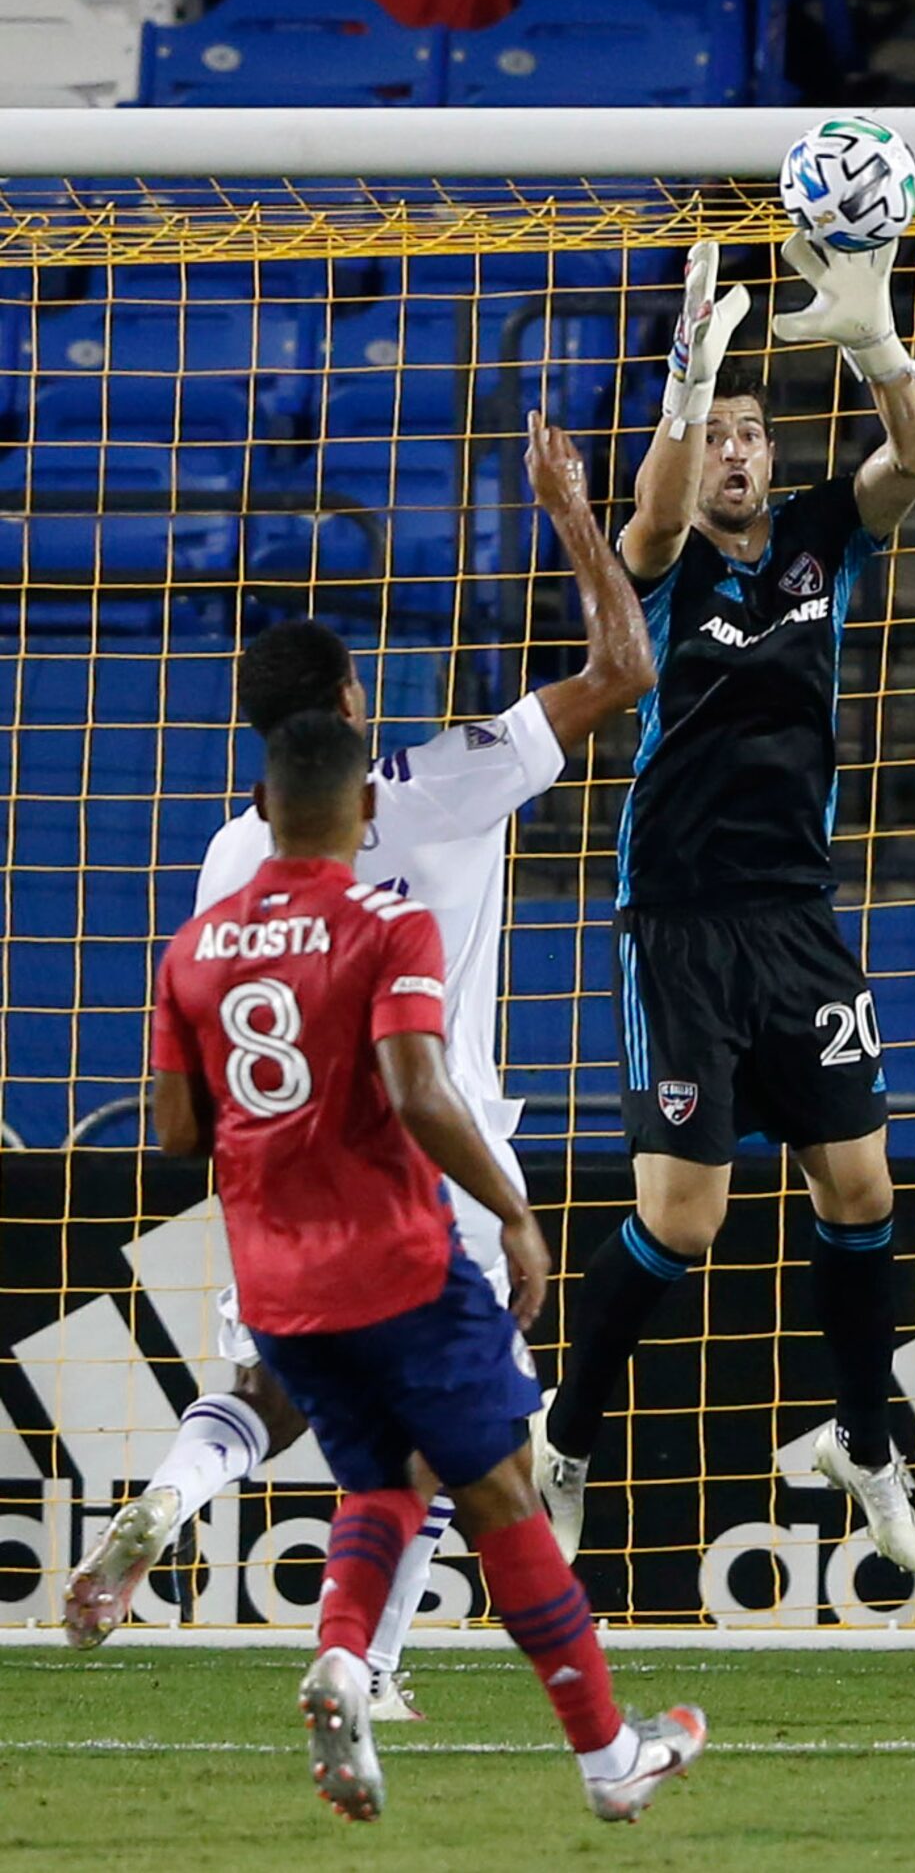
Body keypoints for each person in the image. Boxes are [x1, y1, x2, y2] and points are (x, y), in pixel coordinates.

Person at [63, 415, 654, 1716]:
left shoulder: (228, 854)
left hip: (284, 1174)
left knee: (271, 1393)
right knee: (471, 1433)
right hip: (433, 1148)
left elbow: (191, 1085)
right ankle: (398, 1670)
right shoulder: (441, 782)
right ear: (345, 707)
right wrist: (565, 509)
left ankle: (174, 1490)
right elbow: (623, 667)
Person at [137, 709, 706, 1823]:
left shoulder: (198, 943)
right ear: (361, 805)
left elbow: (175, 1129)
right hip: (405, 1242)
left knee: (386, 1475)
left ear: (262, 799)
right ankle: (603, 1759)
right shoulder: (388, 924)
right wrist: (513, 1211)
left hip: (279, 1258)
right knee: (494, 1480)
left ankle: (345, 1658)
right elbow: (418, 1090)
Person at [532, 236, 915, 1575]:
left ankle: (863, 1444)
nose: (737, 451)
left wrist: (878, 349)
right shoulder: (662, 569)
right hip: (680, 925)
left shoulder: (820, 536)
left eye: (750, 431)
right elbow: (641, 520)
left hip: (796, 920)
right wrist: (679, 390)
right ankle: (568, 1436)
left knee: (860, 1182)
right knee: (685, 1220)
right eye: (717, 433)